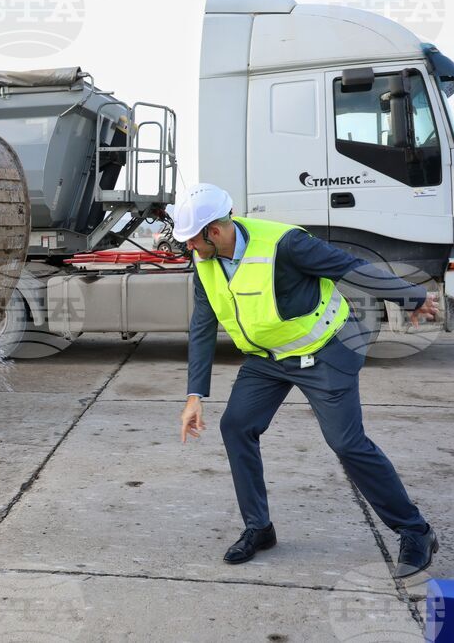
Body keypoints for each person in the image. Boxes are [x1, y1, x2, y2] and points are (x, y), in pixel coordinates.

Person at [176, 183, 439, 578]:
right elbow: (202, 324)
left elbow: (349, 266)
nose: (189, 248)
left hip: (326, 350)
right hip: (268, 359)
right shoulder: (205, 263)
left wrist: (409, 296)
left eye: (193, 240)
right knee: (236, 426)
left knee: (347, 443)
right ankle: (259, 528)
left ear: (215, 231)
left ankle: (415, 530)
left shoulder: (285, 244)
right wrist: (194, 394)